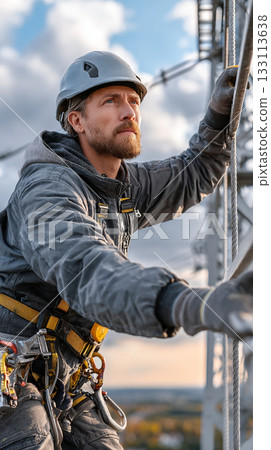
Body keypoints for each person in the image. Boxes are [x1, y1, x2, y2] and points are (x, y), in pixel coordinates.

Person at [0, 51, 252, 449]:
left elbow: (194, 173)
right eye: (111, 101)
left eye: (134, 100)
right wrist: (188, 303)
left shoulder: (122, 185)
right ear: (76, 120)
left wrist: (218, 120)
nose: (129, 110)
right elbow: (88, 268)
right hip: (10, 375)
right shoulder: (47, 190)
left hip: (67, 379)